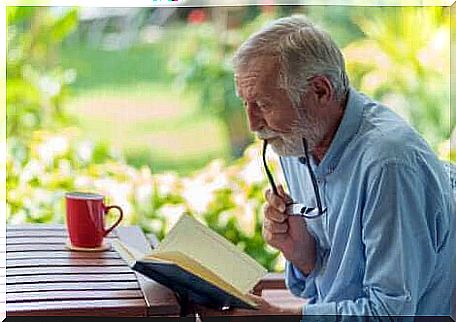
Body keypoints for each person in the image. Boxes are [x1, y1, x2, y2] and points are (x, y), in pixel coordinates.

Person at [231, 15, 456, 319]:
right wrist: (305, 256)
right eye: (246, 103)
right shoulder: (298, 138)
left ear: (321, 91)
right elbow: (330, 291)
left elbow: (390, 313)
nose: (253, 125)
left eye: (264, 105)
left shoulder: (389, 164)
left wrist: (283, 317)